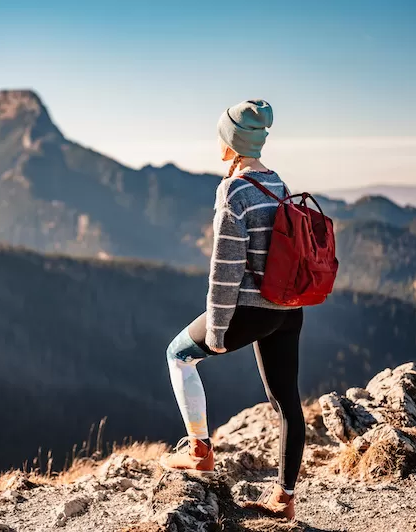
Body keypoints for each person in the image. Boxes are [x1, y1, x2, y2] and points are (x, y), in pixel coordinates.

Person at [159, 100, 304, 520]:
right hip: (288, 308)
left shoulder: (234, 190)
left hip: (251, 308)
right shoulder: (277, 182)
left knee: (178, 355)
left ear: (230, 141)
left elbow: (225, 269)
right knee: (286, 402)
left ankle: (199, 450)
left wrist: (219, 329)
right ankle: (284, 500)